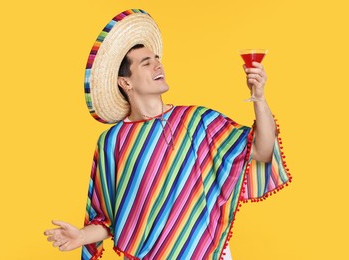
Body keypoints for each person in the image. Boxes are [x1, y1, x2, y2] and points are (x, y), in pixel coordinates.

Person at [44, 9, 291, 260]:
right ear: (125, 82)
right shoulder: (112, 142)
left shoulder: (198, 121)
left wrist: (258, 98)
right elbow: (109, 216)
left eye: (157, 59)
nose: (158, 65)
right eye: (146, 63)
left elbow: (262, 149)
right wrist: (81, 237)